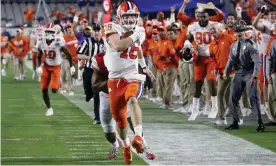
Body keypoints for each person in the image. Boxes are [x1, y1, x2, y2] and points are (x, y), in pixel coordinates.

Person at [103, 1, 154, 164]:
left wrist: (144, 67)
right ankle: (125, 146)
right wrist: (134, 36)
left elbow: (137, 48)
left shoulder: (139, 31)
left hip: (132, 76)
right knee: (120, 121)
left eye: (133, 16)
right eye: (128, 16)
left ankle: (138, 136)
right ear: (120, 16)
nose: (131, 19)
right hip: (114, 79)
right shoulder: (111, 27)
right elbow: (118, 46)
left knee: (133, 99)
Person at [224, 20, 264, 132]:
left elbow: (257, 62)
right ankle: (235, 122)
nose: (239, 33)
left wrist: (254, 76)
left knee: (253, 97)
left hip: (249, 73)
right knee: (232, 97)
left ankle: (260, 122)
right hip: (239, 73)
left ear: (245, 31)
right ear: (234, 32)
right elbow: (230, 60)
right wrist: (225, 72)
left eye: (241, 30)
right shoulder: (233, 45)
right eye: (237, 31)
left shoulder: (251, 44)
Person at [184, 10, 218, 121]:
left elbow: (220, 34)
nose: (202, 18)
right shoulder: (193, 26)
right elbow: (188, 39)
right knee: (197, 83)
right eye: (201, 17)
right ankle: (195, 110)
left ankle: (214, 108)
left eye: (205, 17)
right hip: (199, 58)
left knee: (212, 82)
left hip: (211, 58)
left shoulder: (214, 25)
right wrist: (187, 44)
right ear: (198, 17)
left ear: (208, 17)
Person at [35, 23, 75, 116]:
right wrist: (38, 66)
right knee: (44, 89)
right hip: (46, 66)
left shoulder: (58, 41)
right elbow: (39, 54)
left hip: (56, 67)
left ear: (55, 32)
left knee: (53, 89)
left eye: (51, 32)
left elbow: (68, 53)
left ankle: (58, 83)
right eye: (47, 31)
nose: (48, 33)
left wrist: (71, 65)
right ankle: (49, 109)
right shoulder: (42, 41)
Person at [209, 23, 236, 125]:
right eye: (211, 29)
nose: (213, 30)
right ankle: (222, 117)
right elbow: (213, 58)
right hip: (221, 72)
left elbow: (238, 48)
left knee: (233, 94)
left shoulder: (228, 37)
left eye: (214, 28)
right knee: (220, 94)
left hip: (232, 71)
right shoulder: (212, 44)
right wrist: (215, 68)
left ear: (220, 29)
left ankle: (238, 116)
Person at [77, 24, 104, 124]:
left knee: (97, 94)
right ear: (92, 32)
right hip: (88, 70)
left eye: (98, 30)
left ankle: (97, 117)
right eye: (95, 30)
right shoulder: (87, 42)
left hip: (100, 72)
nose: (97, 32)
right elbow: (79, 54)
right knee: (89, 93)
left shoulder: (105, 42)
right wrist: (90, 58)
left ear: (101, 31)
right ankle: (88, 94)